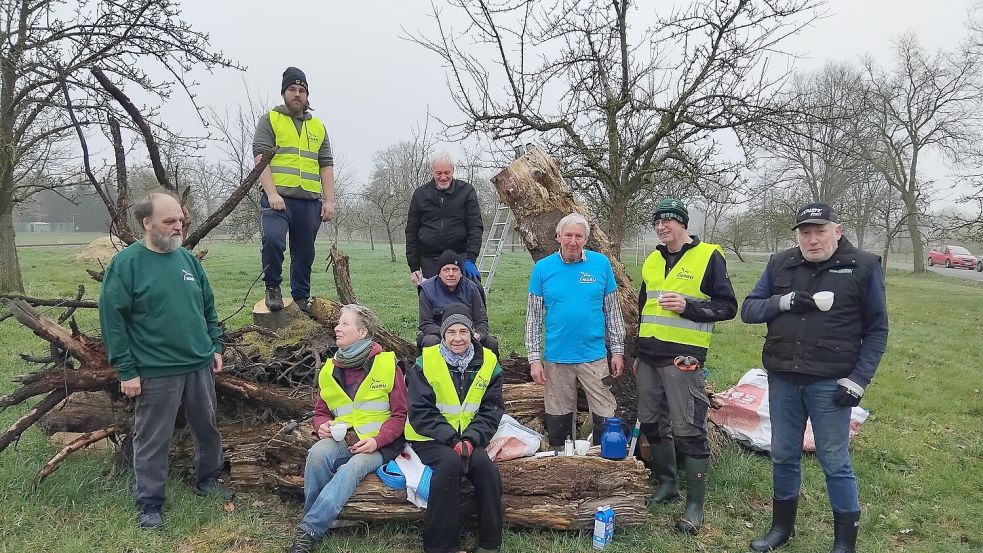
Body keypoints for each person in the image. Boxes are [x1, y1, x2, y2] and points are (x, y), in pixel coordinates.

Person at [741, 202, 888, 553]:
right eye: (805, 233)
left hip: (831, 382)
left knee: (834, 460)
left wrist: (857, 380)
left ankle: (844, 544)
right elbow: (749, 309)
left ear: (837, 231)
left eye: (820, 231)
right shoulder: (780, 263)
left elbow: (877, 330)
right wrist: (784, 302)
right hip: (783, 377)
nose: (813, 239)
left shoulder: (863, 266)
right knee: (783, 454)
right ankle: (781, 528)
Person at [98, 192, 233, 530]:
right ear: (147, 223)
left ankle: (207, 480)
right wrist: (126, 370)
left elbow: (207, 306)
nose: (178, 227)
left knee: (207, 427)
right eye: (169, 221)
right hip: (156, 370)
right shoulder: (126, 264)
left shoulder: (188, 261)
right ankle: (150, 502)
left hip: (198, 364)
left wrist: (215, 346)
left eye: (181, 221)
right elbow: (112, 321)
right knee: (152, 437)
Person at [634, 198, 737, 534]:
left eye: (668, 220)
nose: (661, 226)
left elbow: (728, 307)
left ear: (683, 223)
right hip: (648, 356)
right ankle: (667, 484)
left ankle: (695, 505)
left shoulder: (709, 255)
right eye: (657, 222)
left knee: (689, 428)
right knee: (652, 422)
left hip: (684, 358)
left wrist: (688, 306)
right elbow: (643, 307)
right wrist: (637, 352)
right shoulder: (652, 259)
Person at [290, 304, 407, 553]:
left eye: (344, 324)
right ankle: (319, 518)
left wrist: (376, 441)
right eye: (338, 323)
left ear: (362, 332)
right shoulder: (329, 369)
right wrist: (322, 426)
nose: (337, 328)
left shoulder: (388, 364)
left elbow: (400, 415)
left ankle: (308, 530)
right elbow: (321, 412)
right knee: (317, 454)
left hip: (381, 443)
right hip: (344, 437)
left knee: (353, 467)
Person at [405, 309, 505, 553]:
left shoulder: (489, 362)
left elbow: (491, 409)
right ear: (443, 335)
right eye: (451, 332)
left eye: (463, 331)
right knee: (449, 464)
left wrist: (471, 439)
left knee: (486, 469)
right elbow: (420, 411)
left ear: (472, 334)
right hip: (429, 436)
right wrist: (451, 440)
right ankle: (441, 546)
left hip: (468, 437)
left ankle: (490, 543)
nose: (457, 338)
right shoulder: (425, 362)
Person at [524, 212, 625, 449]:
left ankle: (604, 458)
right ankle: (562, 459)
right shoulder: (542, 268)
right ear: (558, 237)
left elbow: (613, 311)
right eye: (568, 235)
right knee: (558, 415)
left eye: (578, 236)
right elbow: (533, 318)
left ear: (586, 239)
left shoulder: (601, 264)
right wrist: (534, 360)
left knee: (605, 411)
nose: (573, 241)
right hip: (557, 357)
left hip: (595, 356)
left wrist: (618, 351)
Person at [253, 66, 335, 312]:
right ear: (284, 93)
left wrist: (329, 200)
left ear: (307, 95)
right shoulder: (270, 120)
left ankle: (301, 297)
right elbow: (261, 158)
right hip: (278, 199)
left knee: (304, 253)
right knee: (273, 241)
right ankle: (272, 287)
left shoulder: (318, 126)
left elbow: (326, 164)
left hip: (309, 201)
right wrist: (271, 193)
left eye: (301, 90)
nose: (297, 94)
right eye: (292, 89)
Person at [405, 151, 483, 285]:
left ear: (453, 170)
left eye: (447, 172)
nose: (443, 177)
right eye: (438, 173)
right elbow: (411, 231)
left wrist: (471, 258)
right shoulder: (420, 195)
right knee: (431, 298)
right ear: (432, 171)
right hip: (429, 260)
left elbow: (475, 227)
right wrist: (414, 267)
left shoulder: (466, 191)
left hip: (460, 258)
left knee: (471, 295)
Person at [418, 249, 499, 356]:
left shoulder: (472, 288)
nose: (451, 274)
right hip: (438, 333)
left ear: (461, 273)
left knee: (491, 343)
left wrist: (478, 334)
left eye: (455, 269)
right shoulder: (426, 290)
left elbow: (481, 320)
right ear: (439, 273)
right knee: (430, 341)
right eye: (446, 270)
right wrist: (449, 334)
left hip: (468, 333)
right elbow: (426, 323)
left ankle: (488, 367)